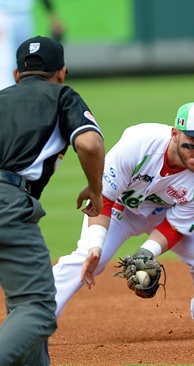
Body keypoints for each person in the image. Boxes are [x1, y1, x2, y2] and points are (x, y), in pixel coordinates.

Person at [52, 102, 194, 337]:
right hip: (120, 209)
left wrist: (145, 253)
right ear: (175, 134)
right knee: (87, 259)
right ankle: (37, 317)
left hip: (167, 214)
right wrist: (96, 245)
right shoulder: (139, 143)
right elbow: (103, 199)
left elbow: (176, 226)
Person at [0, 35, 104, 365]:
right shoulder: (62, 96)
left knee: (21, 304)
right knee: (39, 309)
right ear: (62, 72)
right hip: (8, 202)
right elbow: (89, 144)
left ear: (17, 75)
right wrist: (95, 189)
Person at [0, 0, 64, 90]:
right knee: (5, 57)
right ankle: (5, 90)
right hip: (4, 15)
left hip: (25, 15)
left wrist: (53, 16)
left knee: (25, 54)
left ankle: (24, 88)